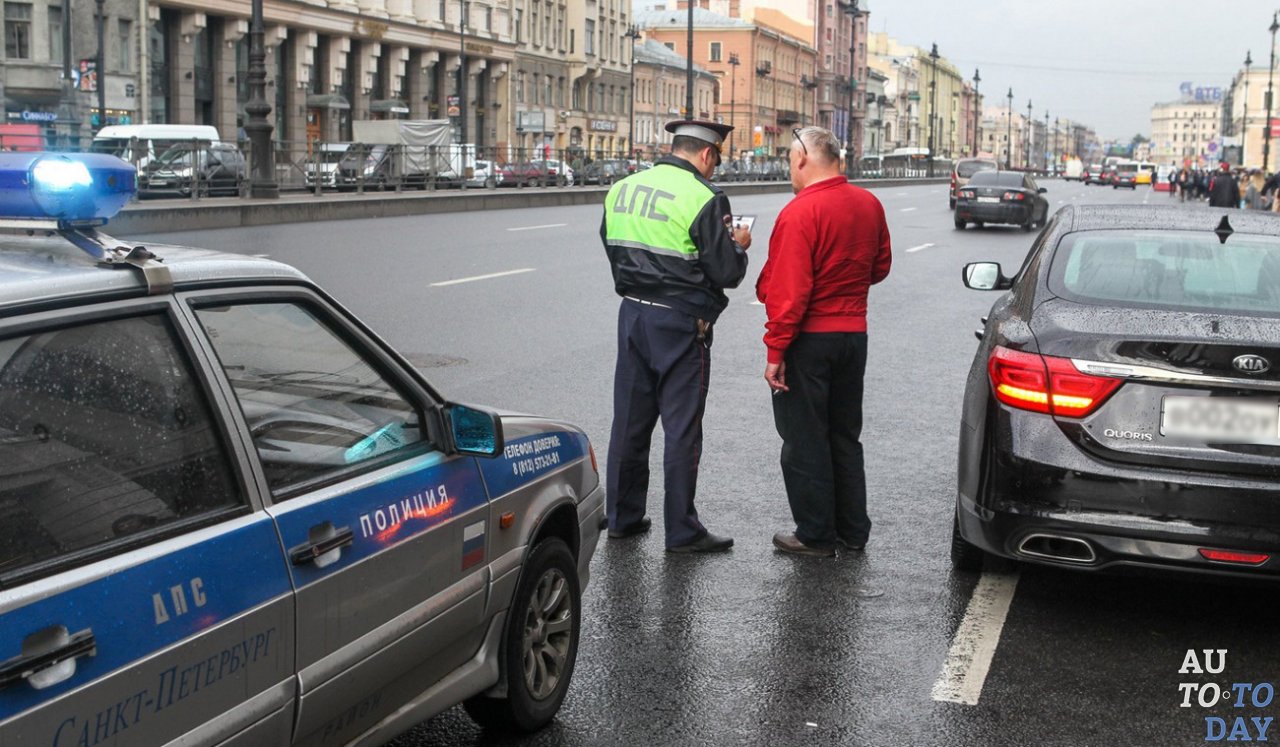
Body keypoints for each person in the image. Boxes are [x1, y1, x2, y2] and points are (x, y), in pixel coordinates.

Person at [600, 119, 751, 553]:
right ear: (707, 154)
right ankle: (682, 531)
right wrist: (738, 244)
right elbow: (727, 272)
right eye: (716, 161)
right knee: (682, 429)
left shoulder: (622, 188)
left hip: (632, 315)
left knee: (629, 421)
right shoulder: (705, 197)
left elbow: (611, 244)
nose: (715, 170)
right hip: (682, 322)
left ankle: (623, 518)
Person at [757, 126, 892, 558]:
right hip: (854, 336)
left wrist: (776, 351)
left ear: (801, 160)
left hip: (809, 339)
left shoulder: (800, 212)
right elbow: (880, 266)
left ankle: (815, 535)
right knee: (845, 435)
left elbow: (789, 293)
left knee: (804, 438)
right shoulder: (869, 204)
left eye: (789, 163)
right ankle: (852, 531)